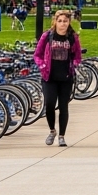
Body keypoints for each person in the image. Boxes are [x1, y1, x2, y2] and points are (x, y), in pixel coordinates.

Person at [34, 10, 82, 147]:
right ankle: (52, 130)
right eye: (60, 21)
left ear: (69, 23)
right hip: (49, 77)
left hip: (66, 78)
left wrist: (75, 64)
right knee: (49, 104)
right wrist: (42, 65)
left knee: (63, 106)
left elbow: (78, 56)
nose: (62, 24)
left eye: (65, 21)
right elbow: (37, 55)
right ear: (55, 21)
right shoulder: (47, 36)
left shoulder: (72, 37)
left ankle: (62, 136)